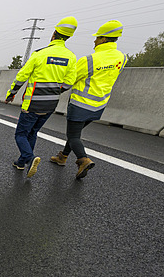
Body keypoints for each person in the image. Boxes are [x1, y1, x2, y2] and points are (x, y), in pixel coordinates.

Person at [49, 20, 127, 179]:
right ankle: (62, 157)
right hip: (99, 106)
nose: (94, 40)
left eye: (97, 37)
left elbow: (69, 81)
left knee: (73, 136)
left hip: (80, 105)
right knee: (74, 134)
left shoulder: (89, 60)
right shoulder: (122, 57)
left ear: (104, 39)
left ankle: (83, 160)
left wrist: (55, 91)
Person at [6, 17, 78, 178]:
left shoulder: (40, 54)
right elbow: (69, 83)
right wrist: (54, 91)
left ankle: (30, 159)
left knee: (21, 134)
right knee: (33, 132)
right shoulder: (71, 57)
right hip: (50, 105)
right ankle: (21, 162)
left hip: (32, 103)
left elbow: (21, 76)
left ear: (54, 34)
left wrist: (12, 92)